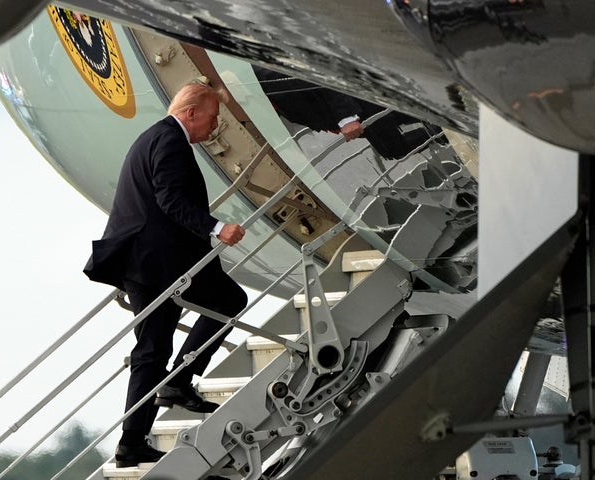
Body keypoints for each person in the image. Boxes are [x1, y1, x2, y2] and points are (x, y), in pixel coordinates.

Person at [84, 83, 248, 468]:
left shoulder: (154, 137)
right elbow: (170, 198)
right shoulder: (171, 141)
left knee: (152, 351)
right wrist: (216, 227)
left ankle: (131, 443)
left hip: (147, 263)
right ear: (191, 113)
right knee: (228, 302)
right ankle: (177, 383)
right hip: (159, 262)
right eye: (213, 117)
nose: (216, 126)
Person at [252, 65, 443, 161]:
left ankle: (444, 131)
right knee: (408, 116)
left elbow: (318, 76)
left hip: (356, 105)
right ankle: (446, 124)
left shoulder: (263, 77)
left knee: (394, 149)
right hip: (352, 108)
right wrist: (330, 125)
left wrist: (345, 118)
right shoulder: (255, 85)